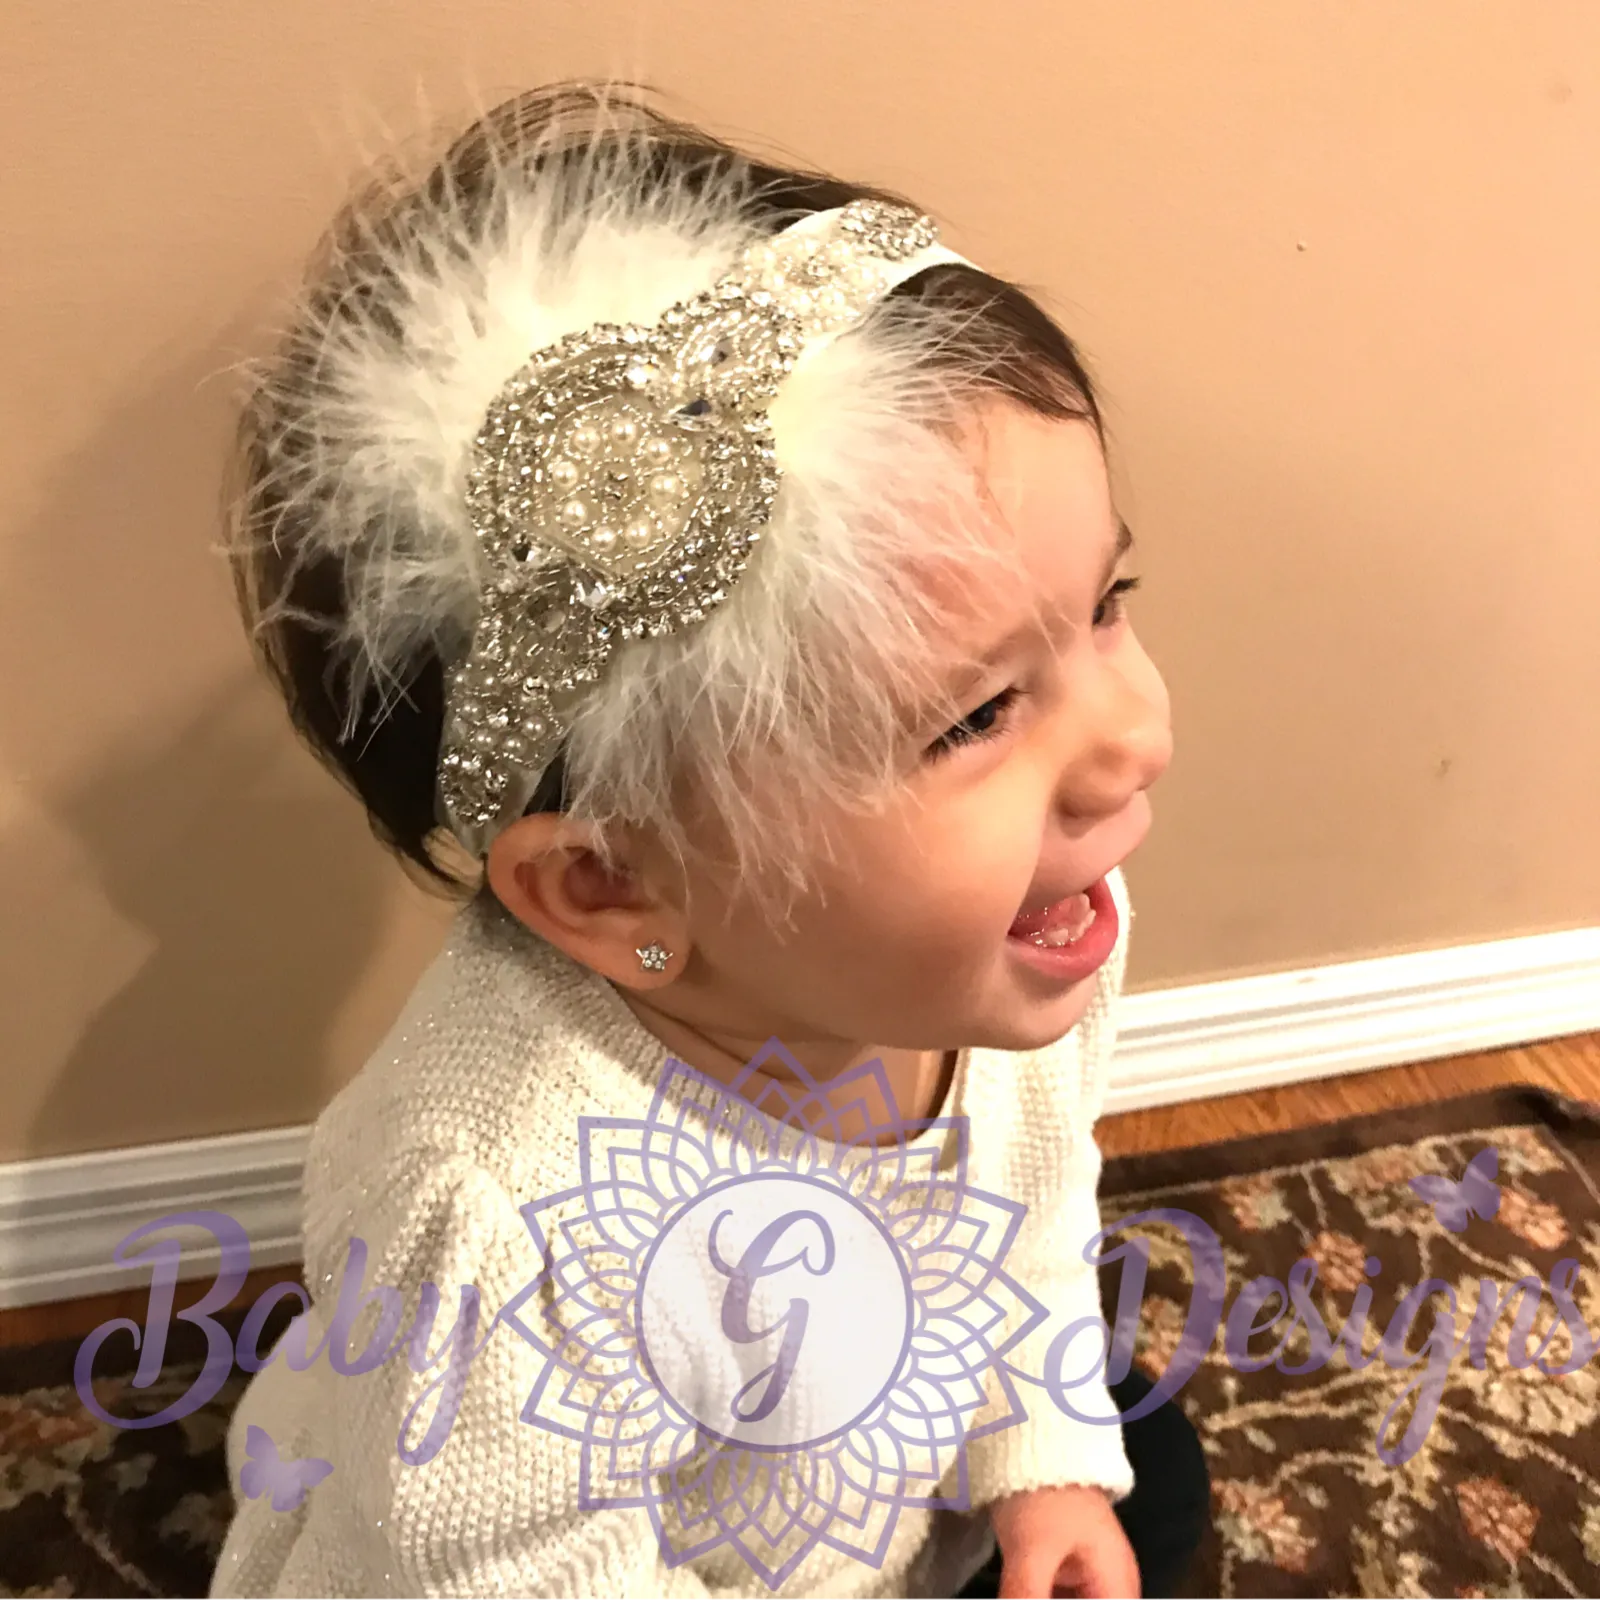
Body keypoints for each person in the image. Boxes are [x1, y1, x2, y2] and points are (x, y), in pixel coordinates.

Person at [212, 78, 1202, 1600]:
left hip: (878, 1462)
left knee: (1153, 1457)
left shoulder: (1030, 938)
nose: (1133, 740)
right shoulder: (494, 1215)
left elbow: (1031, 1220)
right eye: (976, 717)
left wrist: (1044, 1458)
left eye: (1107, 608)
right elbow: (508, 1568)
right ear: (610, 884)